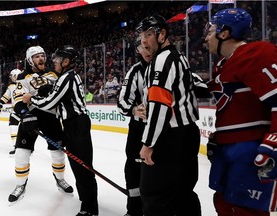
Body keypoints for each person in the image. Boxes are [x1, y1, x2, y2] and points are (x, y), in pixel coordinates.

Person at [204, 8, 277, 216]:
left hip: (249, 149)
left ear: (224, 33)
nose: (207, 37)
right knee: (225, 203)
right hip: (230, 149)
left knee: (246, 210)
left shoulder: (257, 54)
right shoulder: (222, 65)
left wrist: (274, 140)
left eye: (211, 31)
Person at [135, 15, 201, 216]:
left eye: (148, 35)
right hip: (188, 134)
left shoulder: (162, 61)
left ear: (162, 34)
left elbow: (160, 106)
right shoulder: (178, 57)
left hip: (169, 138)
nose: (144, 41)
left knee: (155, 196)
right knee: (183, 193)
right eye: (141, 37)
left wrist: (148, 144)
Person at [22, 45, 99, 216]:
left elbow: (50, 103)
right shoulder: (66, 76)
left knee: (83, 168)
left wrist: (31, 98)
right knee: (78, 167)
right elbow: (56, 103)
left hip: (77, 125)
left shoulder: (67, 78)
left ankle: (90, 209)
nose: (54, 61)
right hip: (72, 125)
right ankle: (87, 203)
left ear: (66, 61)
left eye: (58, 59)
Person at [8, 45, 73, 204]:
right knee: (21, 154)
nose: (41, 58)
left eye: (43, 55)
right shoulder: (23, 77)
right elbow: (18, 100)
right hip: (30, 118)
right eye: (37, 56)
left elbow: (61, 93)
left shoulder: (53, 74)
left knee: (58, 153)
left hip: (51, 118)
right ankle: (20, 184)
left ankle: (60, 180)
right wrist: (25, 114)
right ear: (30, 60)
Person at [117, 36, 152, 216]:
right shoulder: (135, 71)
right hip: (138, 130)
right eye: (141, 48)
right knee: (133, 170)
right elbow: (122, 101)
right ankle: (134, 210)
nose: (146, 51)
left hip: (165, 131)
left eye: (148, 46)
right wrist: (133, 110)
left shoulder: (169, 65)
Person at [0, 68, 22, 156]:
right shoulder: (27, 83)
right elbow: (6, 97)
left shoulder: (12, 86)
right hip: (25, 111)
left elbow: (5, 97)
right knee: (16, 128)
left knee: (14, 128)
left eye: (12, 76)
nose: (11, 78)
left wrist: (0, 103)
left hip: (18, 111)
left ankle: (17, 147)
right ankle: (24, 147)